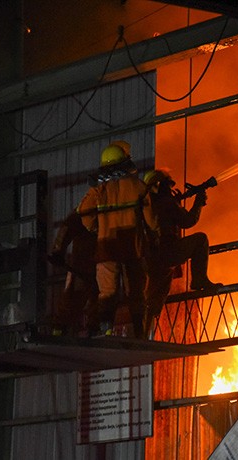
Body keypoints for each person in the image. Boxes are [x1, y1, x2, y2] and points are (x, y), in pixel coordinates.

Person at [76, 140, 156, 339]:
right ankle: (140, 333)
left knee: (107, 294)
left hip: (106, 249)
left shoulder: (99, 191)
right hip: (132, 250)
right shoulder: (138, 186)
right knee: (136, 295)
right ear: (126, 162)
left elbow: (84, 213)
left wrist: (96, 228)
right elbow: (152, 222)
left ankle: (107, 330)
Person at [142, 169, 221, 335]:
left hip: (151, 257)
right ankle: (199, 280)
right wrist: (199, 201)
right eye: (166, 186)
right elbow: (188, 221)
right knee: (201, 239)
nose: (169, 190)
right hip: (167, 251)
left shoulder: (147, 204)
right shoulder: (166, 203)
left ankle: (143, 333)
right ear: (158, 186)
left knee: (154, 298)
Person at [47, 209, 98, 336]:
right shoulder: (93, 203)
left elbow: (68, 225)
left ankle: (62, 330)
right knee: (77, 296)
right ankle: (61, 329)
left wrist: (58, 251)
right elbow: (70, 225)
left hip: (89, 262)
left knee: (84, 297)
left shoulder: (91, 203)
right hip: (88, 262)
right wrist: (58, 251)